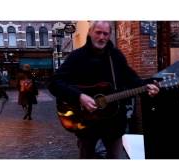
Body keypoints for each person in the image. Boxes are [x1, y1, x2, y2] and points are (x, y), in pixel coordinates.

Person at [48, 21, 159, 159]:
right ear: (90, 32)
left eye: (105, 34)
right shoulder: (77, 57)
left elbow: (131, 79)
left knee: (114, 158)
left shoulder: (116, 56)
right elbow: (54, 83)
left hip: (113, 123)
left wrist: (146, 85)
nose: (102, 37)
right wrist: (79, 96)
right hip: (85, 123)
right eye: (98, 32)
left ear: (109, 35)